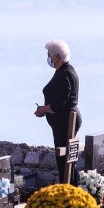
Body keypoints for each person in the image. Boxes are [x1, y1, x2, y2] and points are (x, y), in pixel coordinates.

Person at [34, 39, 81, 184]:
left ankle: (68, 192)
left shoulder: (65, 74)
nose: (47, 58)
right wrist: (45, 110)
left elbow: (58, 104)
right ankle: (72, 189)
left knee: (64, 161)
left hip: (66, 122)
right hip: (64, 121)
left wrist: (43, 109)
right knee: (67, 161)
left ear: (57, 57)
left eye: (49, 55)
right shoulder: (63, 71)